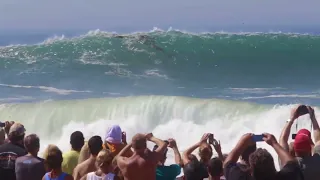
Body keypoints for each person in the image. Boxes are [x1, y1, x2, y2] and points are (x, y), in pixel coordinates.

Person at [224, 133, 303, 180]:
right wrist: (274, 143)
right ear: (273, 166)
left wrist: (242, 143)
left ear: (251, 171)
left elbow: (227, 164)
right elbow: (292, 163)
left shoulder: (240, 178)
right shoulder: (285, 177)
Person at [279, 105, 320, 180]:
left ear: (294, 147)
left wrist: (291, 118)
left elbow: (282, 140)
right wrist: (313, 117)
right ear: (310, 147)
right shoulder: (317, 162)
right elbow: (318, 140)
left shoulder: (286, 166)